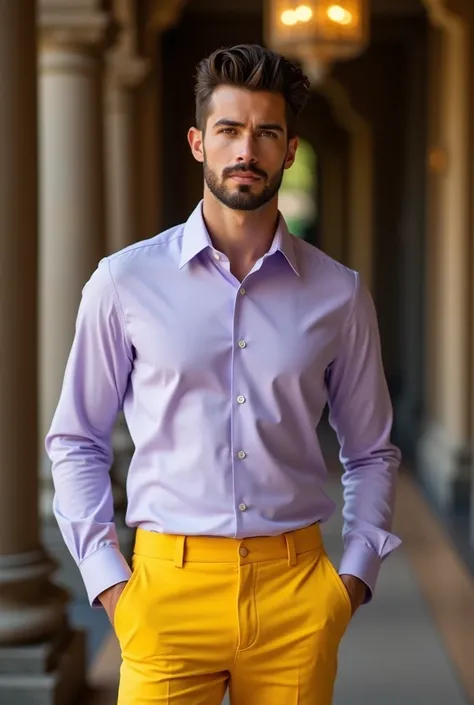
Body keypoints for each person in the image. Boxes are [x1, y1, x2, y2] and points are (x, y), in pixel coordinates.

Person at [46, 43, 402, 705]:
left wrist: (350, 581)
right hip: (163, 591)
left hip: (297, 594)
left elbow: (372, 451)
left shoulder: (340, 294)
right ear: (197, 142)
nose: (247, 150)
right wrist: (113, 585)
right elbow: (76, 440)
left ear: (291, 149)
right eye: (229, 130)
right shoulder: (123, 282)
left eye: (266, 132)